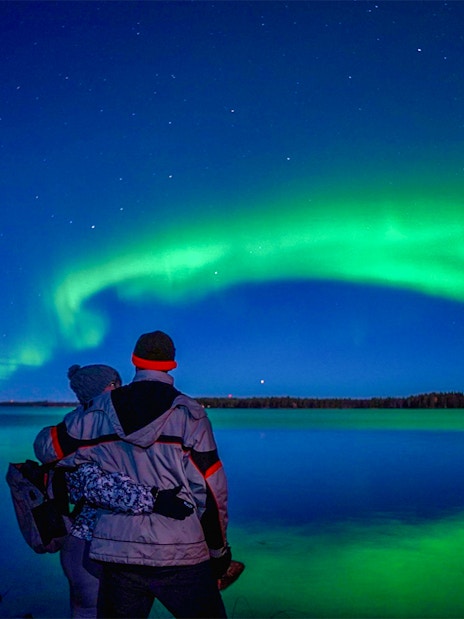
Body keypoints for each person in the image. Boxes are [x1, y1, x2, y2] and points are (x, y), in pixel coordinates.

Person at [34, 330, 230, 619]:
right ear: (171, 364)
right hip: (181, 551)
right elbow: (211, 491)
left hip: (118, 555)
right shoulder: (190, 415)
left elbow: (46, 448)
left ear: (134, 361)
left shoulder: (96, 414)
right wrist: (217, 550)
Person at [58, 364, 194, 619]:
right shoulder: (77, 430)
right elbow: (95, 487)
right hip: (88, 548)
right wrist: (154, 499)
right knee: (89, 611)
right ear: (105, 389)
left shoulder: (99, 425)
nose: (121, 390)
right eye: (116, 385)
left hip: (104, 545)